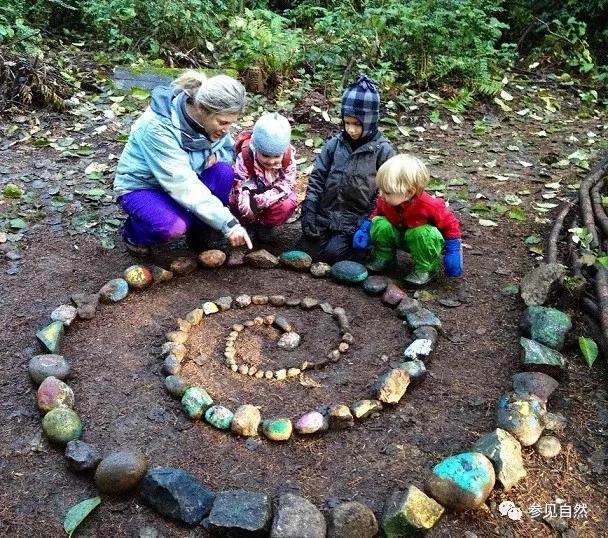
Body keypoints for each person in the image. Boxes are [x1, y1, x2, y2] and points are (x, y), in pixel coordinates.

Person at [114, 70, 252, 256]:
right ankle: (134, 233)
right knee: (172, 226)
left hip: (187, 181)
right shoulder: (157, 127)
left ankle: (200, 232)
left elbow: (227, 153)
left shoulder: (213, 123)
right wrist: (228, 224)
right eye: (223, 122)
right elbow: (182, 184)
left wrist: (217, 158)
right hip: (143, 187)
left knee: (223, 172)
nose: (228, 130)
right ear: (202, 108)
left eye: (231, 123)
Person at [299, 75, 395, 263]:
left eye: (357, 124)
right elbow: (318, 176)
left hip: (357, 218)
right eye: (347, 122)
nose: (351, 129)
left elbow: (385, 192)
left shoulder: (382, 151)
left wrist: (367, 221)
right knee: (310, 250)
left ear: (370, 121)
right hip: (327, 213)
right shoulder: (335, 145)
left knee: (334, 254)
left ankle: (372, 250)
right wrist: (309, 207)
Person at [353, 154, 463, 286]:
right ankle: (384, 257)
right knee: (380, 223)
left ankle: (425, 268)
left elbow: (450, 224)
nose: (381, 195)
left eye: (387, 192)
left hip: (420, 242)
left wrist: (453, 251)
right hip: (399, 235)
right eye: (380, 190)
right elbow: (378, 211)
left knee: (423, 233)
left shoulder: (430, 205)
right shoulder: (387, 201)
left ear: (409, 192)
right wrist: (365, 229)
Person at [229, 112, 297, 236]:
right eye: (265, 155)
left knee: (288, 203)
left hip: (275, 193)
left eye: (277, 156)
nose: (271, 161)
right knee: (234, 200)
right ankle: (246, 224)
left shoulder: (288, 158)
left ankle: (266, 226)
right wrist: (246, 199)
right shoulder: (245, 156)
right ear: (256, 148)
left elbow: (287, 184)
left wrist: (263, 200)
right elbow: (239, 182)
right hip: (252, 190)